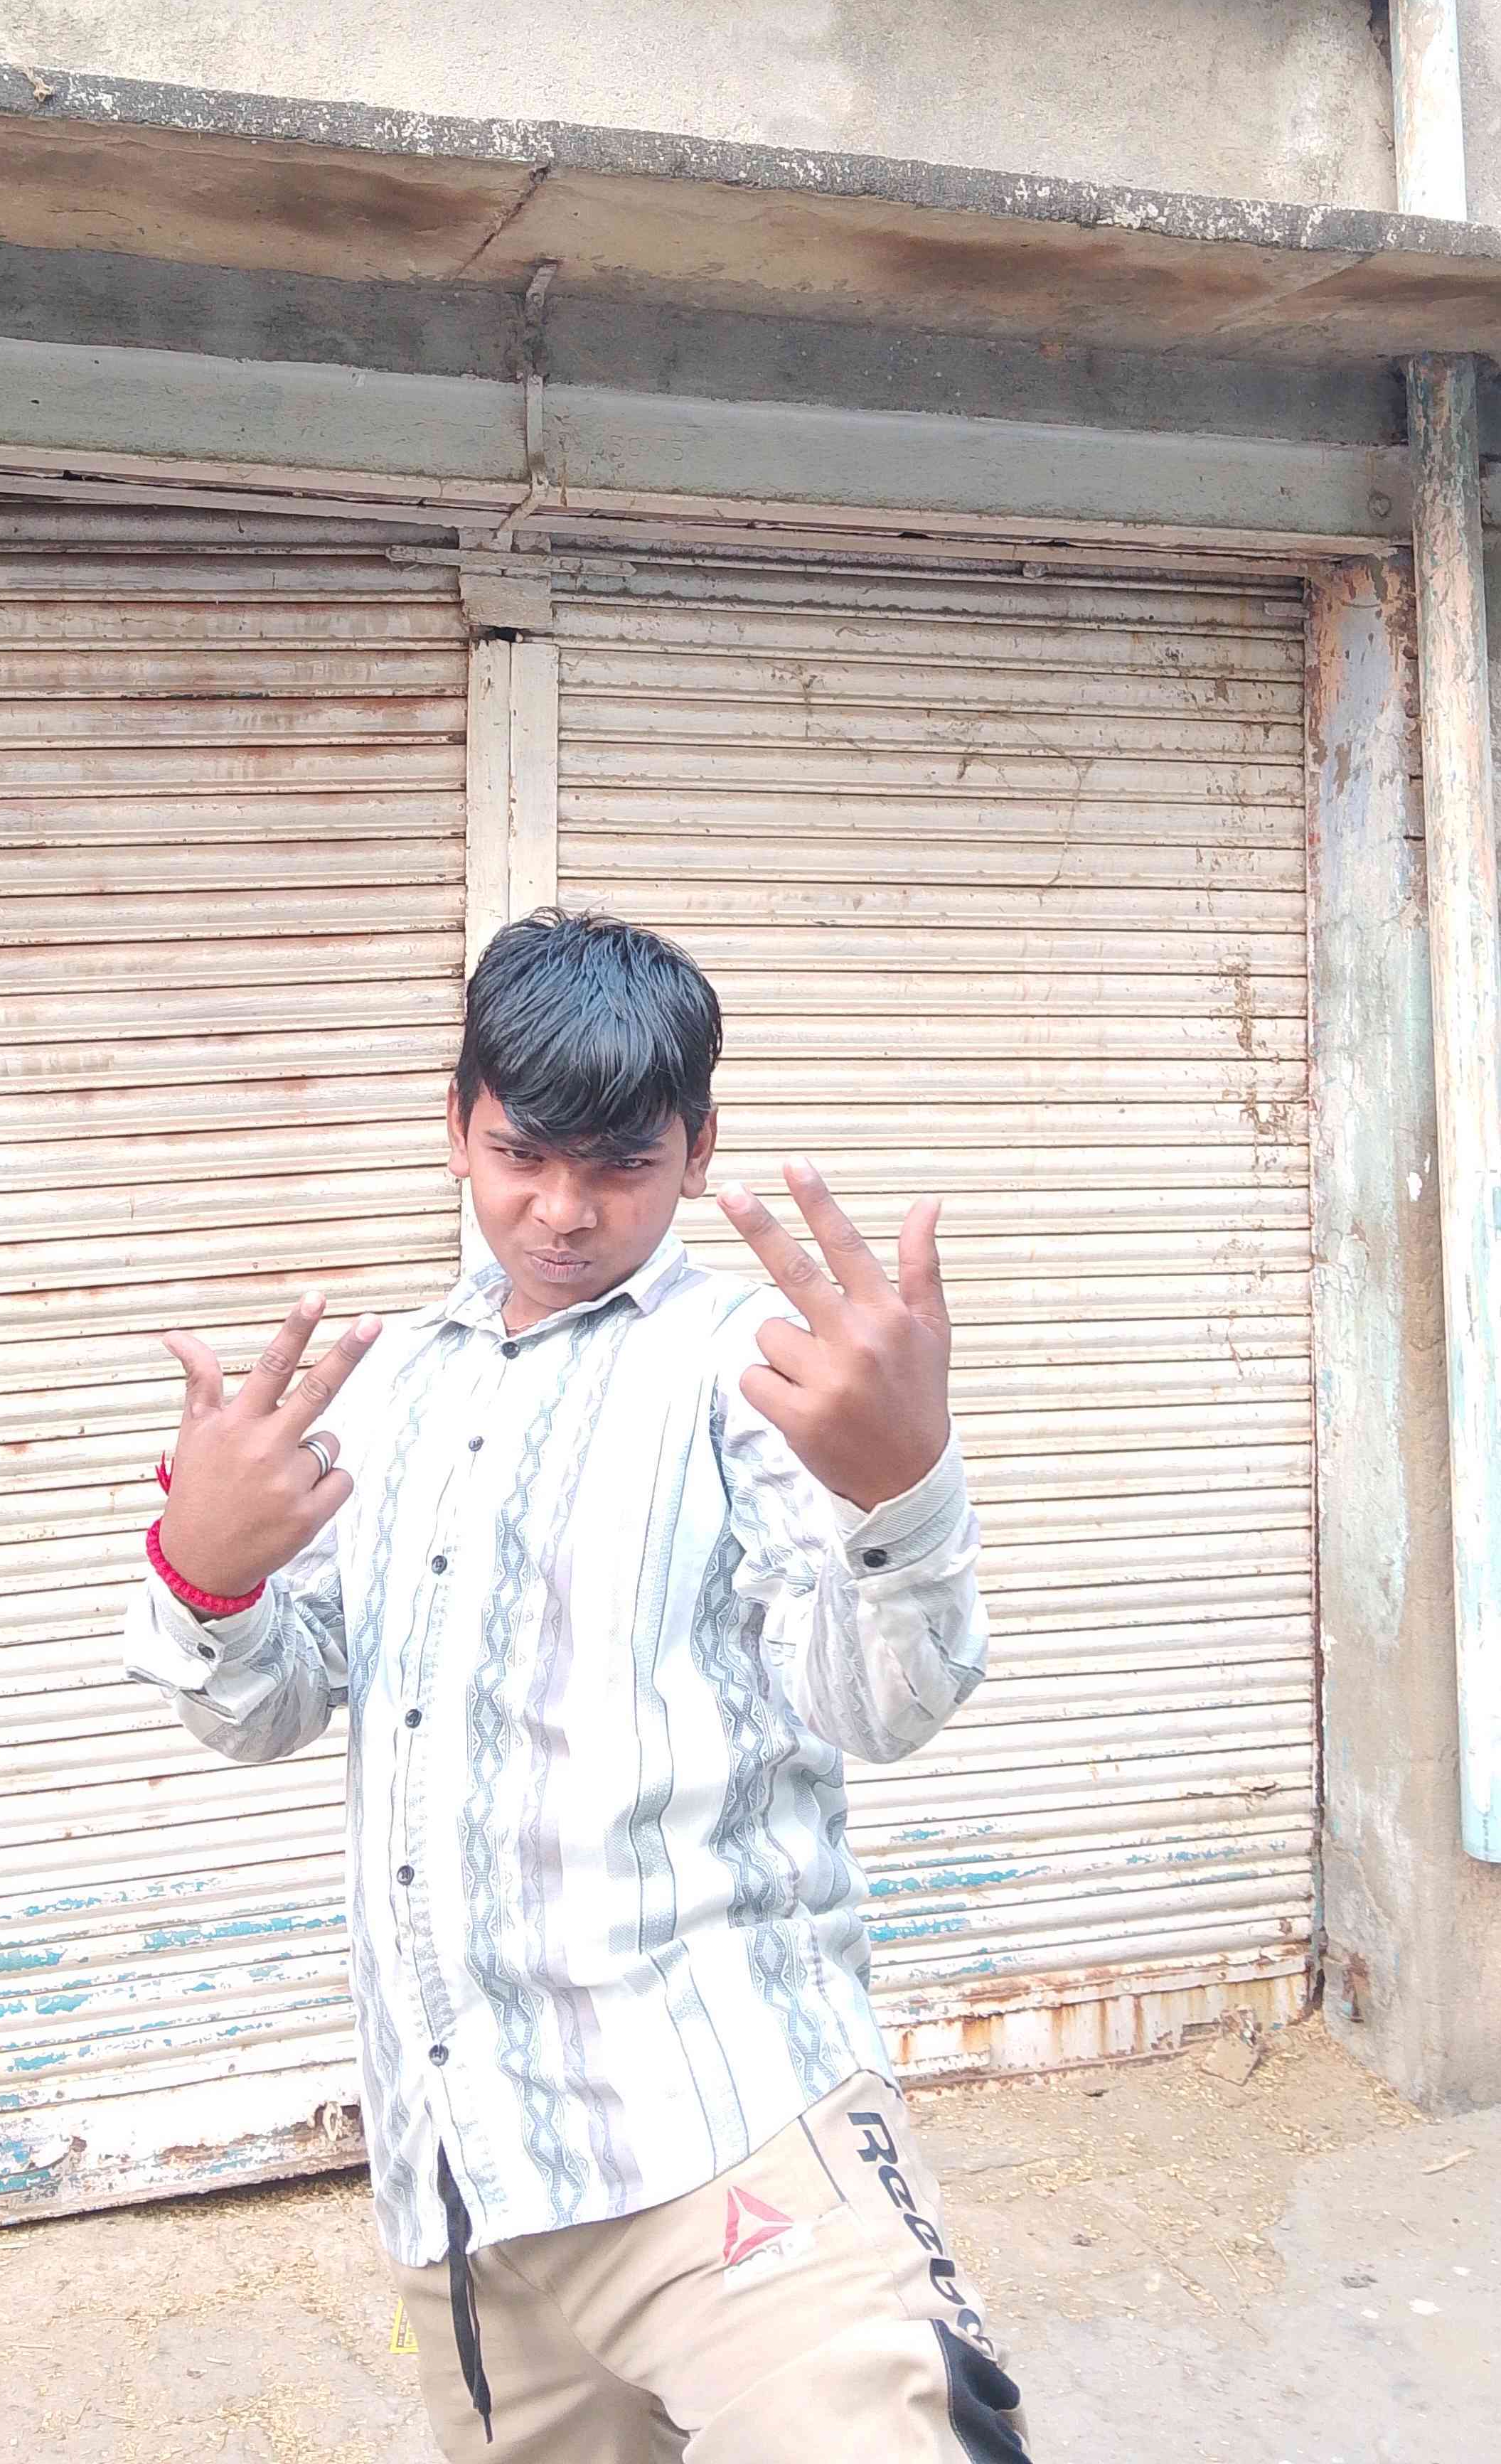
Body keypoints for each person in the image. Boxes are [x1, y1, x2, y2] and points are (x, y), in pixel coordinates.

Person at [125, 909, 1028, 2460]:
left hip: (727, 2130)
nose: (559, 1210)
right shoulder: (393, 1386)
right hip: (467, 2181)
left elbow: (880, 1707)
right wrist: (208, 1578)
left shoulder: (755, 1372)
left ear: (696, 1150)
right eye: (519, 1155)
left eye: (618, 1165)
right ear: (457, 1128)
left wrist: (904, 1495)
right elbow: (266, 1709)